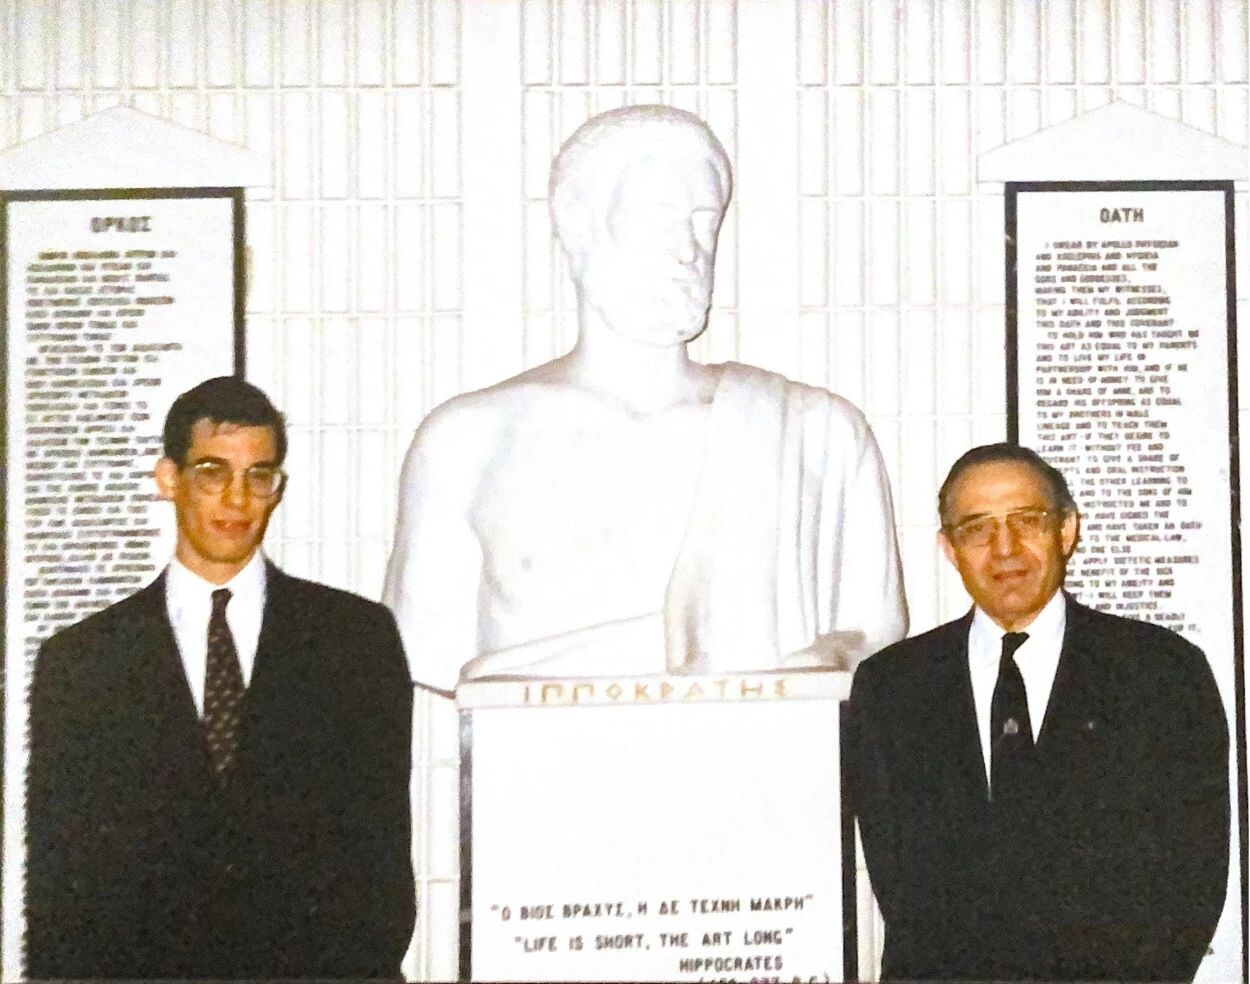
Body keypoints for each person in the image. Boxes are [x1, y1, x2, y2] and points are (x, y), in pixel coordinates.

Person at [384, 104, 906, 694]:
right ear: (578, 224)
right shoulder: (468, 440)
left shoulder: (818, 434)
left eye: (704, 221)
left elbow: (873, 636)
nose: (688, 250)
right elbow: (421, 655)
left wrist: (821, 661)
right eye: (657, 217)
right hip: (539, 777)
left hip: (757, 771)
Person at [25, 376, 415, 980]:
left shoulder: (355, 641)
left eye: (259, 476)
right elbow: (59, 890)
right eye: (212, 471)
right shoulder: (83, 662)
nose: (237, 500)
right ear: (169, 478)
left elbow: (381, 867)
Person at [849, 443, 1228, 982]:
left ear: (1066, 531)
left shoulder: (1162, 672)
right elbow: (900, 888)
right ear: (950, 549)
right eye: (976, 528)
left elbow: (1192, 877)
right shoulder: (892, 688)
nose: (1004, 548)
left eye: (1027, 520)